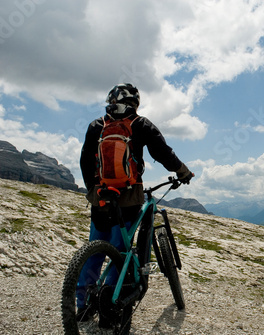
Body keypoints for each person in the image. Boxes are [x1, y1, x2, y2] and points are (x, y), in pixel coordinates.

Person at [76, 83, 193, 326]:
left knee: (95, 250)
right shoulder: (140, 124)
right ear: (136, 103)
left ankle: (83, 306)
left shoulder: (96, 126)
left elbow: (85, 161)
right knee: (121, 253)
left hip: (101, 198)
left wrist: (93, 192)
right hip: (129, 198)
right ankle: (109, 309)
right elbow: (163, 152)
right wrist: (182, 171)